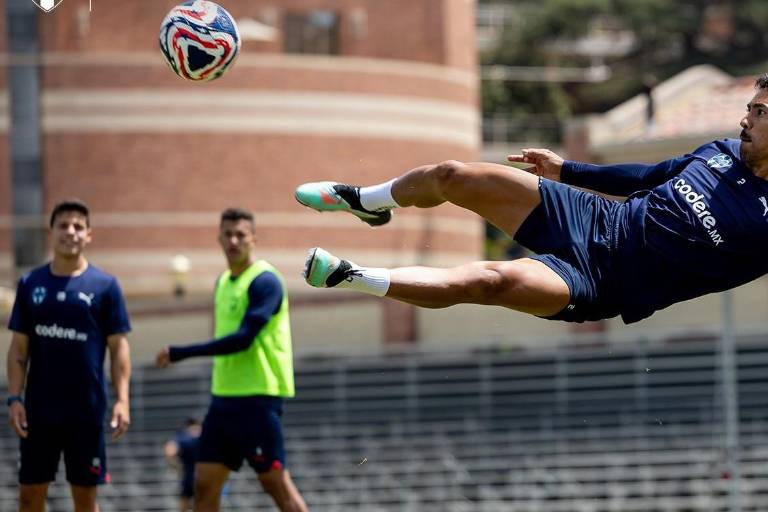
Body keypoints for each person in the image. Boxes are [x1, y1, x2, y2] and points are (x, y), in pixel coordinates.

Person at [295, 73, 768, 325]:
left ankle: (352, 276)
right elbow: (649, 174)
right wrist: (567, 169)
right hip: (596, 217)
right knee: (455, 175)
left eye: (760, 112)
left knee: (489, 281)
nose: (745, 119)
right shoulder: (720, 151)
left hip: (602, 282)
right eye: (749, 107)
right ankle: (366, 199)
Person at [155, 208, 307, 512]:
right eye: (228, 234)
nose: (234, 240)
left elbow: (242, 339)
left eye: (241, 234)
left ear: (254, 239)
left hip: (258, 399)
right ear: (219, 238)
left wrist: (180, 352)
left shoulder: (266, 281)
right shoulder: (223, 282)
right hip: (223, 401)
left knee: (275, 485)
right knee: (204, 484)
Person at [6, 199, 132, 512]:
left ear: (89, 234)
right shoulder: (30, 283)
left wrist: (123, 399)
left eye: (78, 226)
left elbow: (119, 348)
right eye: (63, 225)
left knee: (86, 499)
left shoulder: (106, 286)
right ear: (52, 232)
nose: (70, 232)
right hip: (39, 412)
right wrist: (14, 398)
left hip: (86, 412)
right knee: (30, 495)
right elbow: (18, 348)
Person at [164, 417, 202, 512]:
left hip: (189, 476)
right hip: (208, 475)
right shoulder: (207, 435)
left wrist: (175, 466)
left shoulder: (183, 436)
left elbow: (169, 451)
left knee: (184, 504)